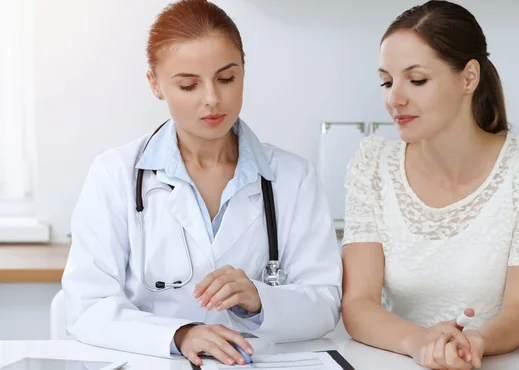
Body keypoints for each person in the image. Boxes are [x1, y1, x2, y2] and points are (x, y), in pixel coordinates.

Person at [61, 0, 341, 366]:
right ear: (155, 85)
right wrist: (179, 334)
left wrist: (259, 299)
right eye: (189, 85)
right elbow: (87, 306)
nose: (212, 99)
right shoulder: (114, 174)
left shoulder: (293, 177)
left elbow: (323, 305)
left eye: (226, 79)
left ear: (244, 71)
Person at [341, 1, 519, 369]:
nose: (394, 98)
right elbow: (357, 305)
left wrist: (475, 342)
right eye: (386, 80)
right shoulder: (371, 165)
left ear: (468, 78)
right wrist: (421, 343)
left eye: (417, 80)